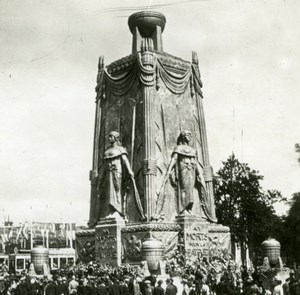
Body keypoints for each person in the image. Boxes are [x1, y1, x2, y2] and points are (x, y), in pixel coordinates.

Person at [97, 131, 145, 220]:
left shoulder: (120, 149)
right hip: (109, 173)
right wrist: (101, 177)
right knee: (109, 192)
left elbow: (125, 160)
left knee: (117, 191)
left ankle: (118, 212)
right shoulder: (107, 152)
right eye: (109, 136)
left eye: (111, 136)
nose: (109, 138)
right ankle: (112, 211)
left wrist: (130, 171)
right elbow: (104, 166)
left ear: (116, 138)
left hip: (117, 172)